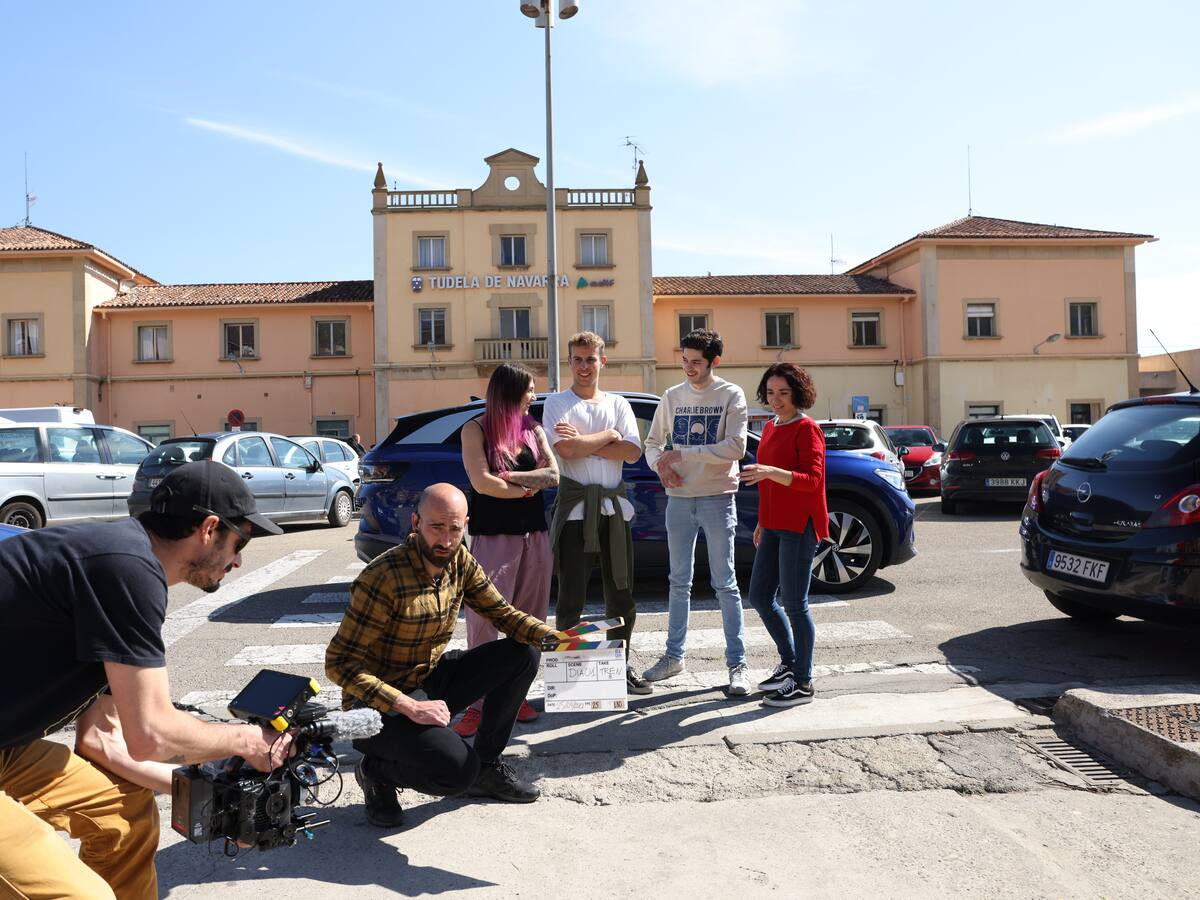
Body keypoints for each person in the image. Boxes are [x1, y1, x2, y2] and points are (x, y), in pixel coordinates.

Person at [0, 460, 292, 900]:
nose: (239, 559)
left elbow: (104, 741)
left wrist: (222, 794)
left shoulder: (120, 563)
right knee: (76, 895)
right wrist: (248, 741)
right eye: (241, 539)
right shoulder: (125, 569)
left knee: (127, 815)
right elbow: (152, 734)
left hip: (8, 748)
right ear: (209, 529)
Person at [326, 483, 568, 828]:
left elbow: (502, 613)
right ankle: (376, 771)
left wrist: (554, 639)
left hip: (429, 679)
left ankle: (486, 767)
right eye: (436, 527)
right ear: (416, 522)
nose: (445, 540)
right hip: (377, 706)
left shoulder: (460, 561)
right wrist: (409, 706)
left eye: (454, 529)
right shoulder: (383, 577)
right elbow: (339, 663)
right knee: (456, 773)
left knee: (523, 652)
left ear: (465, 525)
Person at [642, 329, 751, 695]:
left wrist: (684, 454)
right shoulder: (672, 396)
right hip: (679, 500)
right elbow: (653, 443)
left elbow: (736, 446)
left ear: (714, 362)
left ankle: (738, 665)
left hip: (718, 497)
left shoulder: (731, 394)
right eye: (684, 360)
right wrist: (661, 466)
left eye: (696, 362)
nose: (688, 368)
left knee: (726, 583)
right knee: (678, 581)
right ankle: (674, 657)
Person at [454, 362, 559, 738]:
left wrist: (513, 479)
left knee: (530, 619)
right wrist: (529, 487)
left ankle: (516, 698)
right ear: (512, 391)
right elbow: (482, 484)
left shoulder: (533, 428)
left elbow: (553, 474)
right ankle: (478, 705)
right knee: (484, 622)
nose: (534, 396)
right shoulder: (475, 429)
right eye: (530, 390)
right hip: (493, 536)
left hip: (535, 535)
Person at [543, 331, 650, 695]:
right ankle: (568, 675)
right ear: (569, 361)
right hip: (575, 513)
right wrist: (608, 435)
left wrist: (585, 443)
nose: (584, 366)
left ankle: (621, 666)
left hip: (613, 511)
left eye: (591, 359)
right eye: (577, 359)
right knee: (571, 595)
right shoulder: (557, 403)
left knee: (621, 593)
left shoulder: (619, 402)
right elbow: (566, 452)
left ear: (602, 361)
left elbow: (633, 452)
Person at [738, 362, 829, 707]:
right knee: (761, 596)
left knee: (795, 603)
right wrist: (763, 520)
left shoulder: (807, 429)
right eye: (771, 393)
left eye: (784, 394)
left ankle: (803, 683)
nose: (776, 400)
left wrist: (770, 471)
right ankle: (790, 664)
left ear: (798, 394)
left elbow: (812, 481)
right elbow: (768, 486)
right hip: (774, 524)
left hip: (799, 525)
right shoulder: (773, 426)